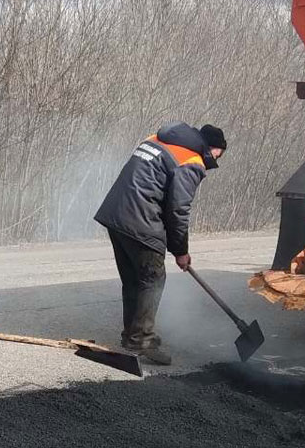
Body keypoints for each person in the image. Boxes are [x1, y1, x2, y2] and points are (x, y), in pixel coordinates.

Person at [93, 122, 226, 366]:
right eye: (218, 155)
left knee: (135, 279)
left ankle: (132, 336)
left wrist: (175, 247)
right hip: (140, 219)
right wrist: (181, 251)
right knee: (153, 279)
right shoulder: (191, 161)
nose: (216, 160)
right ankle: (141, 341)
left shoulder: (157, 139)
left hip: (116, 214)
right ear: (212, 148)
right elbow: (177, 210)